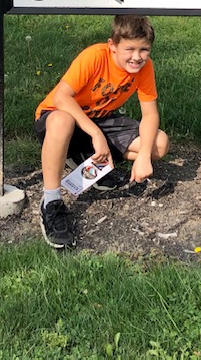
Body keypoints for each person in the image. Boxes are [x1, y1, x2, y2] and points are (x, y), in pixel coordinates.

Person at [34, 15, 170, 249]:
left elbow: (150, 115)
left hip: (99, 119)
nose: (137, 57)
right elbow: (61, 98)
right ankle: (51, 202)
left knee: (159, 143)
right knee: (61, 121)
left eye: (144, 50)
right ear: (112, 45)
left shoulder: (145, 67)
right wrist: (96, 134)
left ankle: (86, 159)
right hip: (59, 118)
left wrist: (144, 155)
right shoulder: (95, 56)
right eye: (129, 49)